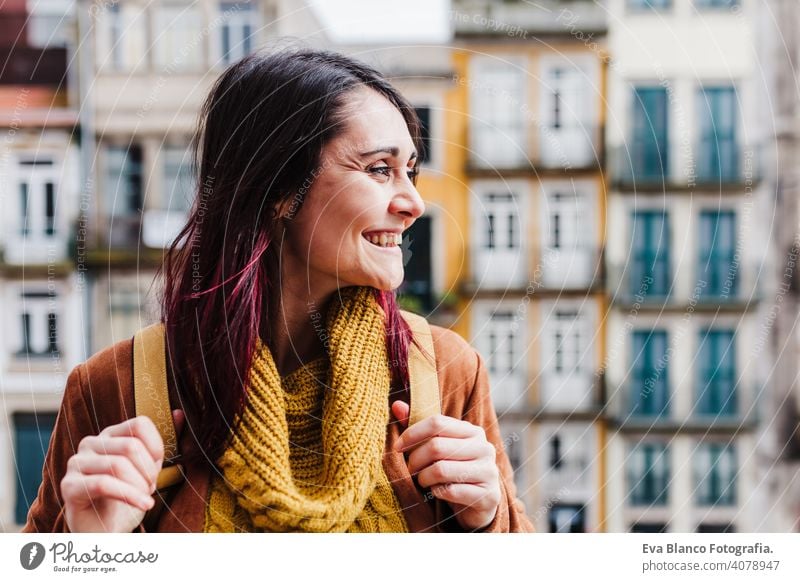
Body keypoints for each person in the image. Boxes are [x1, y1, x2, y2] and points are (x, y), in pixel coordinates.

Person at [23, 48, 534, 533]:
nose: (412, 202)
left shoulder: (444, 372)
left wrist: (490, 518)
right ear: (279, 191)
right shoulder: (116, 389)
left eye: (411, 171)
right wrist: (87, 545)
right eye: (380, 169)